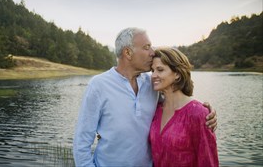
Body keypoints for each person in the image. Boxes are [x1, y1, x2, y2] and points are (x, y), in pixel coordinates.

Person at [73, 27, 217, 167]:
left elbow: (178, 106)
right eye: (147, 47)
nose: (152, 52)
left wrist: (204, 112)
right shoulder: (98, 85)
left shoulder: (151, 83)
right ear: (128, 52)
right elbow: (82, 142)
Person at [149, 47, 219, 167]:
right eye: (152, 70)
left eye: (160, 70)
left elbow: (208, 161)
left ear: (177, 74)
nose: (153, 75)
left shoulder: (198, 113)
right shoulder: (155, 109)